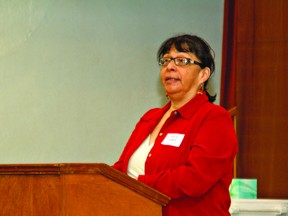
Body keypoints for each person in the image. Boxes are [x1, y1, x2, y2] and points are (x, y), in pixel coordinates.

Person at [112, 34, 238, 215]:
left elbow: (195, 179)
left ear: (203, 74)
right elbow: (120, 169)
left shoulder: (214, 118)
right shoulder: (150, 117)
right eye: (166, 61)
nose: (170, 66)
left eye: (182, 61)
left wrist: (138, 184)